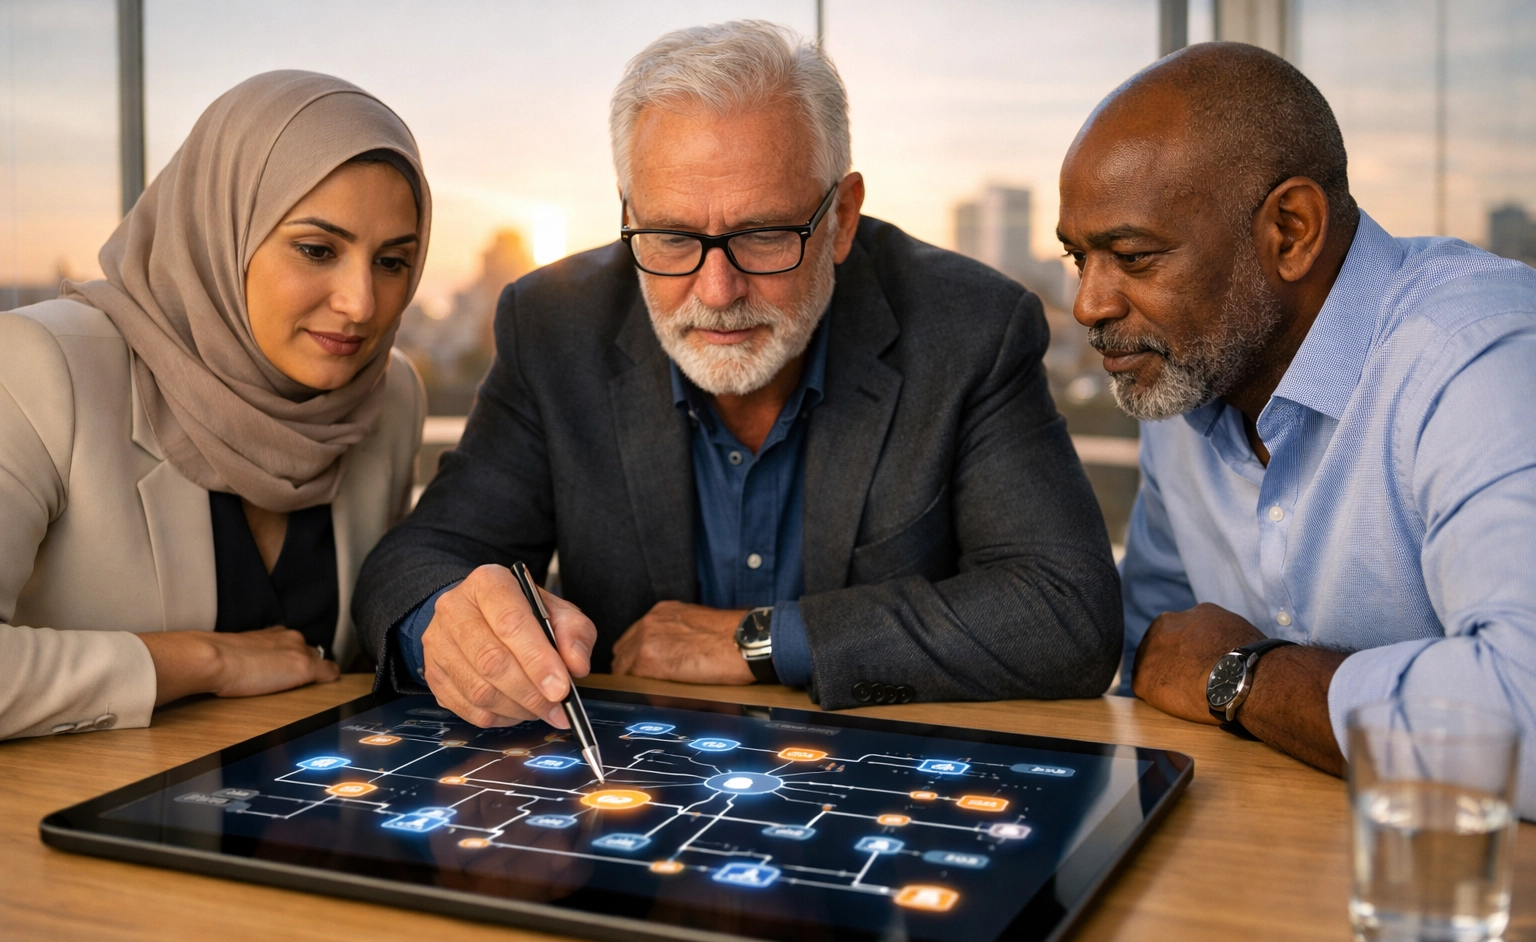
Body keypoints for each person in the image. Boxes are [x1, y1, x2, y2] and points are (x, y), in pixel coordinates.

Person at [355, 21, 1121, 729]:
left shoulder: (969, 327)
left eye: (762, 236)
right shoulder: (554, 326)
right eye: (671, 235)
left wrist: (765, 641)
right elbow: (415, 563)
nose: (717, 293)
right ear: (630, 212)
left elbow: (1067, 614)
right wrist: (450, 623)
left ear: (842, 217)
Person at [1056, 43, 1536, 813]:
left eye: (1134, 257)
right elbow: (1157, 656)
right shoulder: (1184, 377)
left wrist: (1246, 676)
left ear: (1291, 229)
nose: (1089, 305)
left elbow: (1525, 712)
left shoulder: (1479, 359)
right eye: (1078, 257)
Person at [0, 71, 429, 740]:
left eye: (392, 262)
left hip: (314, 818)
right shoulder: (39, 365)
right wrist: (200, 661)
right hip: (73, 820)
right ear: (219, 227)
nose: (361, 303)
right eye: (317, 250)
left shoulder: (389, 393)